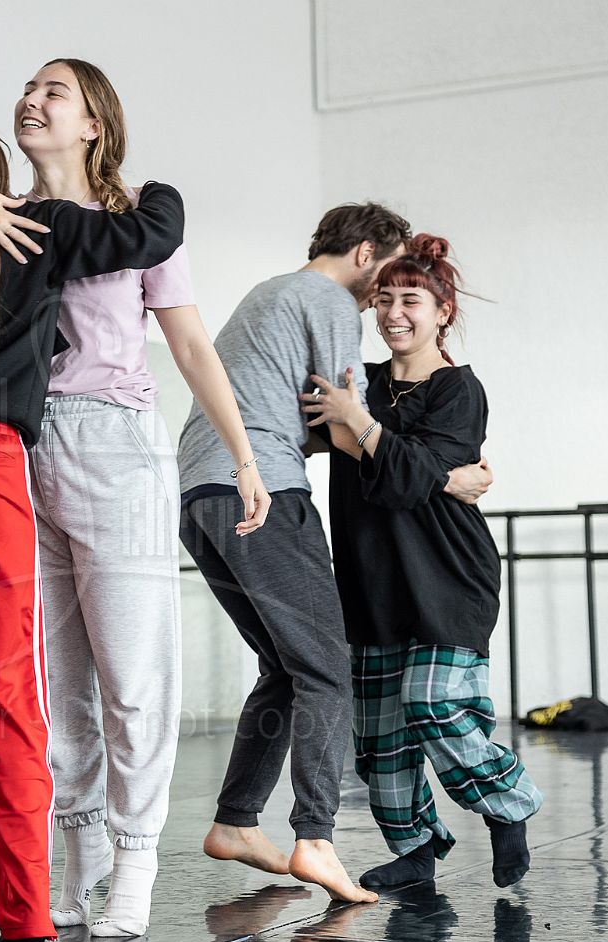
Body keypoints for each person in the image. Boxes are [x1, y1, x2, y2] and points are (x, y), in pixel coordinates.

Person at [0, 57, 270, 938]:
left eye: (55, 91)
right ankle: (80, 860)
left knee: (133, 674)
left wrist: (243, 454)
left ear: (93, 124)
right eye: (28, 88)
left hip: (115, 442)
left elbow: (190, 345)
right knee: (53, 684)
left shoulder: (138, 218)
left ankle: (136, 860)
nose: (31, 99)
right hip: (16, 450)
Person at [177, 204, 495, 903]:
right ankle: (316, 839)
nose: (386, 299)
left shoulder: (271, 295)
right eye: (387, 276)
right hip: (263, 493)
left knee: (286, 667)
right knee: (327, 670)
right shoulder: (326, 301)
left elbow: (319, 424)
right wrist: (450, 479)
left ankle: (235, 820)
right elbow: (352, 423)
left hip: (201, 494)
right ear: (365, 254)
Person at [300, 234, 543, 890]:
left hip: (448, 573)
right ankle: (415, 848)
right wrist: (434, 471)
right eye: (383, 299)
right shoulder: (361, 380)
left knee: (434, 700)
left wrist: (361, 427)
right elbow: (391, 460)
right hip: (372, 578)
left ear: (443, 311)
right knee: (380, 740)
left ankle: (508, 802)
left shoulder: (458, 389)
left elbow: (405, 479)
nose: (393, 312)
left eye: (411, 299)